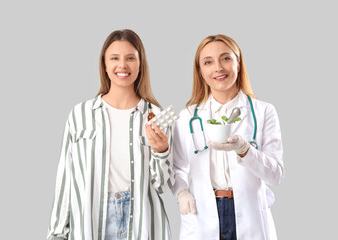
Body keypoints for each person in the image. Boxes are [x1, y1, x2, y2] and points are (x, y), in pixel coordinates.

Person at [47, 29, 174, 240]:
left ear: (140, 64)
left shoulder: (156, 117)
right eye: (114, 58)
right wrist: (57, 233)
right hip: (91, 221)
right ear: (104, 65)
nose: (122, 65)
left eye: (130, 58)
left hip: (143, 223)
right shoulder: (81, 115)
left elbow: (163, 185)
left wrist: (161, 151)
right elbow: (66, 178)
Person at [172, 34, 284, 240]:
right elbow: (177, 169)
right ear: (200, 71)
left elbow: (276, 175)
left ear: (238, 63)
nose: (218, 68)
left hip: (250, 217)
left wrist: (246, 151)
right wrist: (181, 193)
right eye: (208, 62)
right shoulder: (187, 117)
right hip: (202, 216)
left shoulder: (263, 112)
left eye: (226, 58)